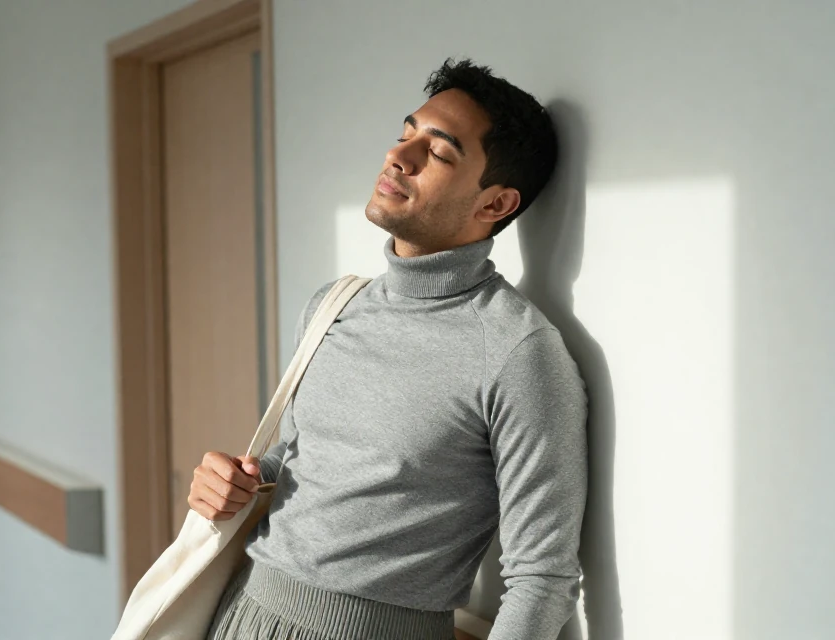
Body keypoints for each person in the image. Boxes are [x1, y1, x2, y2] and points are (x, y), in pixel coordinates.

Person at [190, 58, 587, 640]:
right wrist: (232, 484)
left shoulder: (517, 351)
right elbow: (302, 459)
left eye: (440, 152)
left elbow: (542, 577)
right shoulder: (334, 304)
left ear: (497, 204)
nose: (400, 157)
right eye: (406, 134)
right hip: (242, 615)